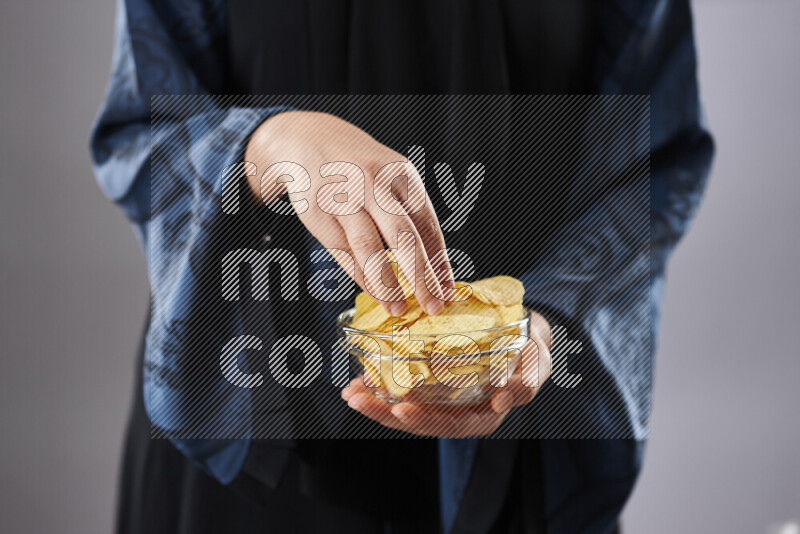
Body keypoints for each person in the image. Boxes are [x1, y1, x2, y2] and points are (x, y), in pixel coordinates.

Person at [91, 0, 713, 532]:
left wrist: (546, 321)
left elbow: (650, 157)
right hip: (251, 440)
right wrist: (268, 147)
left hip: (517, 448)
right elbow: (140, 129)